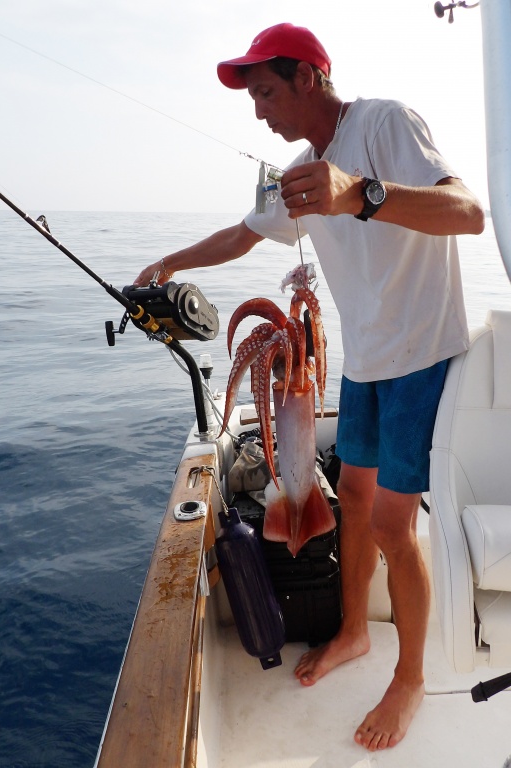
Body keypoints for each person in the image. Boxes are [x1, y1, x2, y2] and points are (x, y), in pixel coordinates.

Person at [135, 23, 485, 752]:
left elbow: (469, 213)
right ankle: (356, 631)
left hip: (423, 358)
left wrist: (359, 194)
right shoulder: (297, 171)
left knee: (392, 526)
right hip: (364, 364)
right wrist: (168, 261)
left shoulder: (385, 123)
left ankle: (411, 678)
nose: (260, 111)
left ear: (310, 77)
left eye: (266, 91)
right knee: (350, 503)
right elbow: (241, 234)